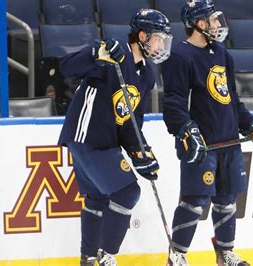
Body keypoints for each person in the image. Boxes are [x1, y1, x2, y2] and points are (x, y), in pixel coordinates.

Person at [161, 0, 253, 265]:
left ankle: (225, 253)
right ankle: (177, 255)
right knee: (195, 200)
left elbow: (232, 100)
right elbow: (173, 104)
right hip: (201, 145)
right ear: (199, 24)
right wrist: (185, 131)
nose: (218, 24)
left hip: (228, 143)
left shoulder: (222, 54)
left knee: (226, 200)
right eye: (212, 20)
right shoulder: (180, 57)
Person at [57, 9, 172, 266]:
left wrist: (141, 152)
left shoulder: (147, 75)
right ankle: (106, 256)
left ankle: (88, 259)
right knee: (128, 191)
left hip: (105, 143)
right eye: (159, 38)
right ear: (142, 36)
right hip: (86, 137)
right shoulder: (113, 52)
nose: (162, 44)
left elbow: (131, 123)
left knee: (97, 199)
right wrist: (96, 54)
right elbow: (67, 67)